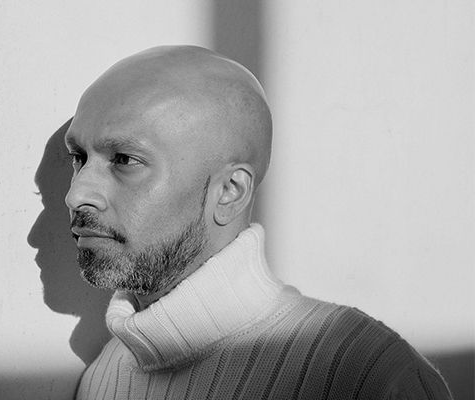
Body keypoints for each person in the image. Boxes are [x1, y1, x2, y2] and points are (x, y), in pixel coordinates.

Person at [64, 45, 452, 400]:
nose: (76, 195)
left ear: (230, 191)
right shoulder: (103, 377)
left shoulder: (369, 377)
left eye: (125, 160)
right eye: (78, 158)